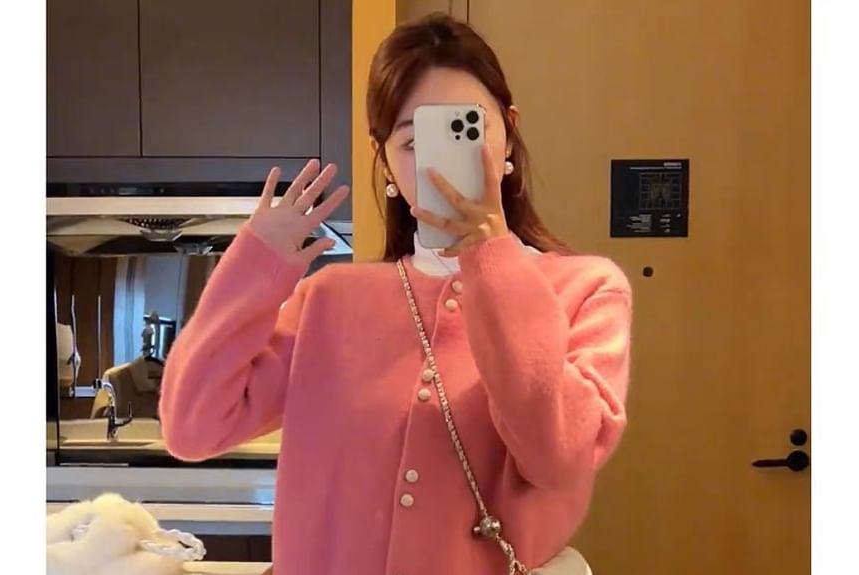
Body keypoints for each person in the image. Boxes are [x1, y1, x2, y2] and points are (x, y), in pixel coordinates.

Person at [159, 13, 633, 575]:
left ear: (508, 131)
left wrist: (491, 256)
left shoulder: (587, 291)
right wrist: (255, 267)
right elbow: (192, 427)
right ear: (383, 159)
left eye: (466, 129)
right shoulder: (329, 300)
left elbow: (557, 459)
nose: (439, 164)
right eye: (413, 142)